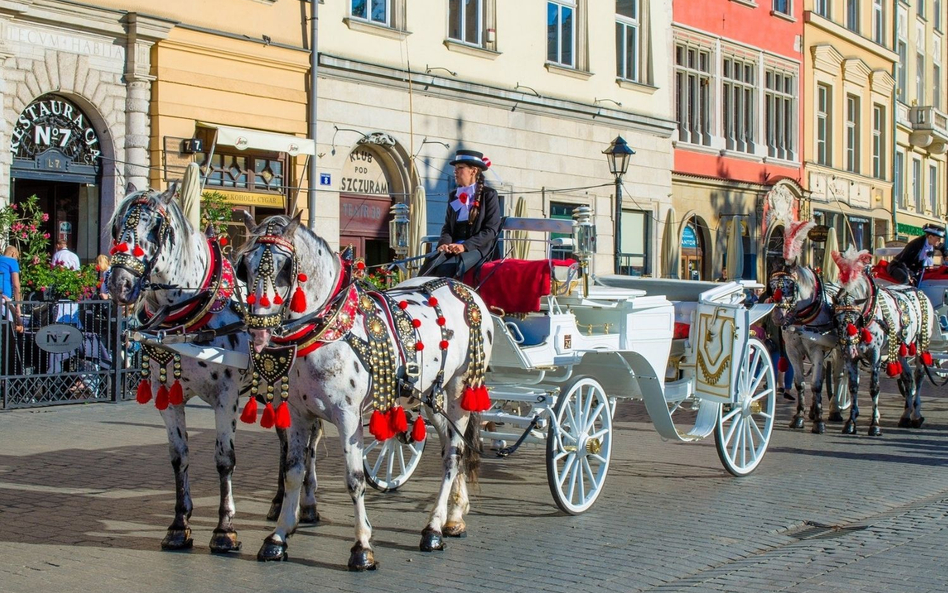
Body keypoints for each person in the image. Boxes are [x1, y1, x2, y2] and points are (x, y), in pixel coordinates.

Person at [419, 149, 501, 279]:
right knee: (430, 264)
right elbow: (447, 227)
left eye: (460, 168)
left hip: (478, 248)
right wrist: (444, 244)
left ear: (473, 171)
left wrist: (464, 246)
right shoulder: (454, 195)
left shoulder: (489, 194)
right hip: (453, 246)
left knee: (446, 269)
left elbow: (491, 230)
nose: (455, 171)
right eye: (455, 168)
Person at [0, 245, 23, 333]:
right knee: (16, 326)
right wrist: (18, 305)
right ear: (13, 254)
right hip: (4, 297)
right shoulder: (12, 261)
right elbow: (16, 285)